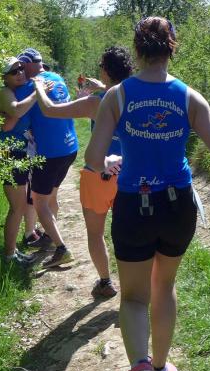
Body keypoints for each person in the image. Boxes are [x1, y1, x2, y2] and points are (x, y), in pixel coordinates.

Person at [85, 17, 210, 371]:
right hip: (177, 205)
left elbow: (93, 158)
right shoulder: (189, 97)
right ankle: (159, 370)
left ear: (137, 50)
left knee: (134, 296)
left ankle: (139, 365)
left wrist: (109, 163)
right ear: (172, 47)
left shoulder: (116, 96)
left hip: (134, 204)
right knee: (164, 286)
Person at [33, 46, 134, 298]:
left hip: (99, 173)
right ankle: (135, 287)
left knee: (96, 233)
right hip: (130, 173)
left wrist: (38, 87)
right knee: (130, 233)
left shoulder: (95, 103)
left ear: (105, 70)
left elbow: (50, 110)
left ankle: (105, 282)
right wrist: (102, 86)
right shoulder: (136, 97)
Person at [19, 48, 79, 269]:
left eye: (22, 67)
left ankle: (61, 248)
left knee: (38, 201)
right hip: (69, 147)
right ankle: (48, 236)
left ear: (29, 65)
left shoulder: (30, 86)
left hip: (49, 152)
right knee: (51, 195)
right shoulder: (57, 78)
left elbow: (16, 113)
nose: (20, 71)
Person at [0, 56, 45, 264]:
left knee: (20, 205)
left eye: (21, 68)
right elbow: (16, 110)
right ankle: (9, 255)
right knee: (17, 207)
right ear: (4, 77)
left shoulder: (17, 90)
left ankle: (12, 251)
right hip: (8, 153)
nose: (20, 73)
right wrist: (37, 93)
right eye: (14, 71)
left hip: (18, 152)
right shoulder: (5, 93)